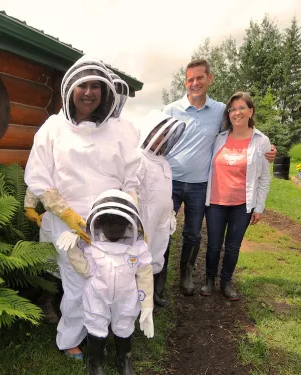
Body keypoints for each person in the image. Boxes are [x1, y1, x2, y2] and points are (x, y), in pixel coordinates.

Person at [24, 55, 141, 360]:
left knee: (111, 277)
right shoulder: (52, 128)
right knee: (76, 283)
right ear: (70, 90)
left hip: (111, 222)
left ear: (105, 91)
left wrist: (130, 210)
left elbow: (133, 174)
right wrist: (68, 215)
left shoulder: (121, 130)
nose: (89, 92)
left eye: (95, 86)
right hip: (68, 223)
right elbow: (38, 176)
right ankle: (70, 339)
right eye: (82, 86)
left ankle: (110, 332)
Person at [162, 59, 277, 296]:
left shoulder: (218, 111)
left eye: (199, 78)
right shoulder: (171, 110)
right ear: (186, 81)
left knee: (193, 234)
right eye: (190, 79)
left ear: (209, 79)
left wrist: (267, 148)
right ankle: (158, 282)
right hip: (169, 183)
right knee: (163, 231)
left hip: (199, 186)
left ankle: (186, 274)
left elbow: (241, 130)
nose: (195, 83)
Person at [56, 189, 154, 375]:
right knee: (96, 323)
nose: (115, 228)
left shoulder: (138, 247)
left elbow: (145, 275)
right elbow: (86, 269)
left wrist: (147, 306)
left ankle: (124, 359)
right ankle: (95, 363)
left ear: (130, 222)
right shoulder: (92, 246)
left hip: (127, 296)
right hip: (97, 295)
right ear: (99, 222)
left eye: (119, 223)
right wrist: (73, 249)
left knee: (125, 323)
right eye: (110, 223)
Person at [201, 92, 271, 300]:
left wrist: (259, 207)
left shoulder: (261, 141)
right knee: (213, 244)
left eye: (241, 108)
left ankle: (226, 281)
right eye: (232, 109)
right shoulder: (219, 138)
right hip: (215, 202)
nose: (236, 112)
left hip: (242, 204)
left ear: (251, 111)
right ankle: (209, 280)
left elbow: (265, 178)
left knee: (233, 246)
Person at [136, 110, 185, 308]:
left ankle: (151, 296)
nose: (160, 136)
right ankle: (135, 301)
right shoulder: (138, 158)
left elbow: (166, 192)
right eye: (157, 130)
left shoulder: (164, 161)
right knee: (140, 258)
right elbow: (133, 191)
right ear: (148, 131)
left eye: (164, 133)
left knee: (158, 255)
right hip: (144, 219)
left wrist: (170, 214)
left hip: (162, 220)